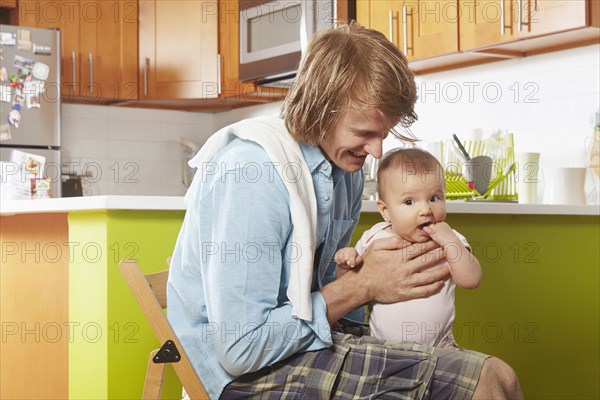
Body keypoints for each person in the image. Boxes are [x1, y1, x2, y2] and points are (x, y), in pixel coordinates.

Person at [167, 21, 522, 399]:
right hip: (242, 377)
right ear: (320, 111)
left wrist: (374, 288)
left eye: (382, 135)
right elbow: (242, 349)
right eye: (364, 133)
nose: (377, 151)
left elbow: (331, 293)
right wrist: (364, 285)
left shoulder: (343, 170)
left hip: (303, 347)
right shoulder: (253, 172)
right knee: (483, 381)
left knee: (500, 375)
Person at [335, 148, 482, 348]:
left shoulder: (450, 238)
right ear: (386, 210)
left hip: (440, 346)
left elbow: (471, 280)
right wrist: (346, 263)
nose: (425, 210)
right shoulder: (374, 238)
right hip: (383, 347)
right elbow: (350, 290)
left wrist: (450, 242)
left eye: (434, 198)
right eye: (409, 201)